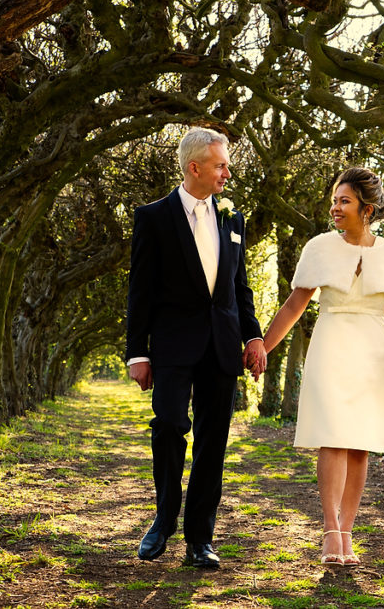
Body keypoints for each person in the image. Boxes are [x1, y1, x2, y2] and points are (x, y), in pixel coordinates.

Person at [261, 167, 384, 566]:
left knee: (360, 443)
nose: (335, 208)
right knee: (333, 435)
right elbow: (296, 304)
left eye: (344, 201)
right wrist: (263, 347)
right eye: (334, 200)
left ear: (368, 208)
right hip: (331, 343)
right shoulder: (319, 247)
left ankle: (347, 533)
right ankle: (329, 530)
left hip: (373, 350)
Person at [125, 126, 267, 568]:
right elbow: (140, 291)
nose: (227, 173)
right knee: (168, 425)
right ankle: (163, 518)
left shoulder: (232, 217)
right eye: (222, 165)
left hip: (223, 347)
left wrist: (254, 336)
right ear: (195, 167)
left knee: (214, 443)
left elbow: (238, 286)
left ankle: (199, 539)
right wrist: (138, 352)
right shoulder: (153, 217)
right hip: (172, 346)